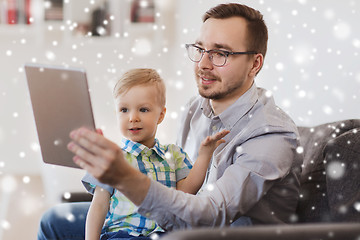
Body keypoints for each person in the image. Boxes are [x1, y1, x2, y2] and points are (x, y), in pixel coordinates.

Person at [38, 3, 303, 239]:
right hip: (177, 226)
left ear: (255, 64)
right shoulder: (196, 108)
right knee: (54, 221)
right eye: (200, 49)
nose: (203, 64)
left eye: (220, 53)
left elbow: (212, 214)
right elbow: (177, 186)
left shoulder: (271, 136)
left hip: (216, 233)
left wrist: (127, 178)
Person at [83, 68, 229, 240]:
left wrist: (205, 155)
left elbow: (186, 192)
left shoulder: (173, 155)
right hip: (123, 235)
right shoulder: (112, 157)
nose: (133, 118)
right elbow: (99, 205)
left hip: (166, 234)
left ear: (160, 115)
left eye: (143, 110)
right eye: (124, 110)